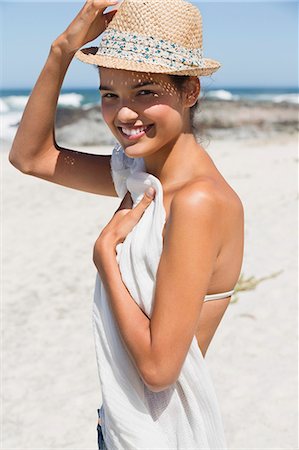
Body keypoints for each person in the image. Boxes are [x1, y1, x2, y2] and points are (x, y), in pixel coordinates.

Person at [9, 0, 244, 448]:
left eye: (144, 92)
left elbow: (158, 370)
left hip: (160, 437)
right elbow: (30, 157)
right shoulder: (143, 178)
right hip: (122, 428)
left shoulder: (197, 200)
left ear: (190, 90)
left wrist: (106, 261)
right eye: (108, 94)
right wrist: (62, 51)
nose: (123, 114)